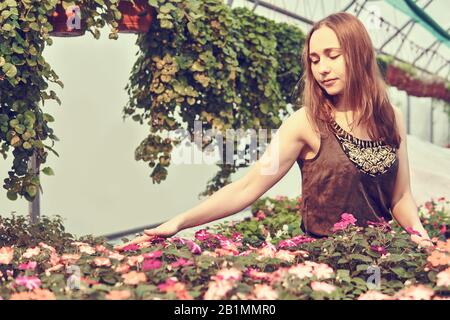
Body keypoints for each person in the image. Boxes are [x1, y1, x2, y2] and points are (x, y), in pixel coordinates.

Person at [115, 12, 433, 250]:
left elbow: (401, 196)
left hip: (382, 260)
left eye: (333, 56)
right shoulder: (305, 123)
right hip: (327, 269)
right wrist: (180, 221)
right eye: (314, 60)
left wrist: (422, 239)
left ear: (359, 54)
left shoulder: (391, 117)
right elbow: (248, 187)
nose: (322, 68)